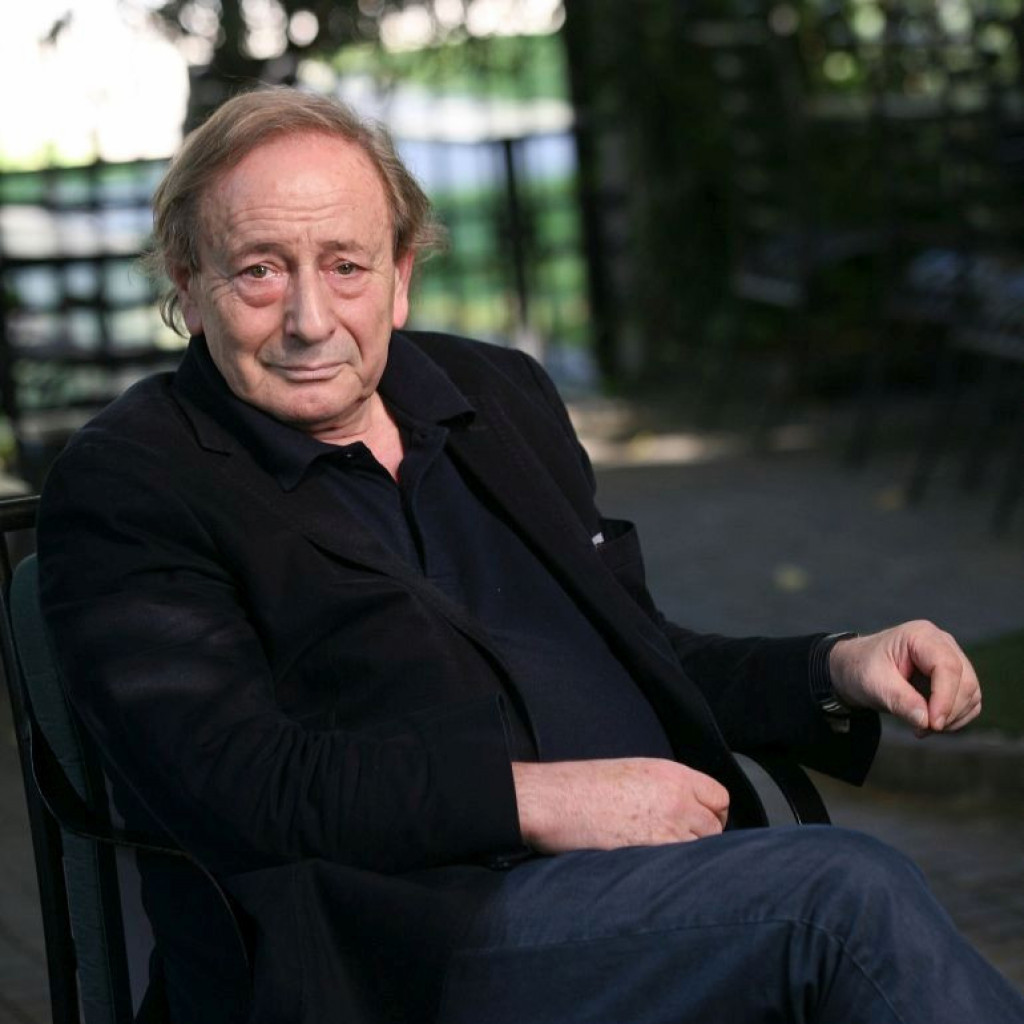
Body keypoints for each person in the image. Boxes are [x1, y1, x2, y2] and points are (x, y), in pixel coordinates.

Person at [38, 86, 1023, 1024]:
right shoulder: (137, 479)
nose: (309, 318)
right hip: (396, 952)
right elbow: (240, 780)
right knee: (835, 902)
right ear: (188, 283)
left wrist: (832, 666)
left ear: (401, 276)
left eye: (345, 265)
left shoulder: (493, 396)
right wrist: (540, 802)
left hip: (650, 895)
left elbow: (639, 653)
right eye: (259, 270)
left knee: (834, 916)